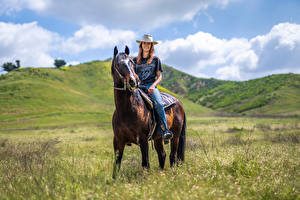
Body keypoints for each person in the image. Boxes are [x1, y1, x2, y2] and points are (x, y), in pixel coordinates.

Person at [133, 34, 173, 140]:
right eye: (144, 43)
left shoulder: (156, 60)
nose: (146, 45)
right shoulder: (134, 60)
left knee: (159, 104)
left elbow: (159, 77)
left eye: (148, 43)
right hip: (138, 88)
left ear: (151, 46)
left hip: (151, 87)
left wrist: (153, 86)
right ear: (141, 45)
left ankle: (165, 130)